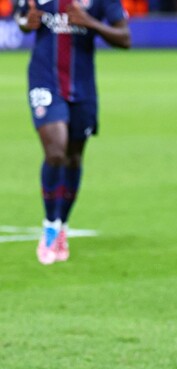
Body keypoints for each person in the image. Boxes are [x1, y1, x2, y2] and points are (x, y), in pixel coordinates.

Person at [14, 0, 131, 264]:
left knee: (73, 157)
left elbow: (125, 38)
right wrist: (24, 23)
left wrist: (90, 23)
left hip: (82, 86)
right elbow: (22, 18)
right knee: (56, 152)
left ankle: (62, 226)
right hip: (44, 80)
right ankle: (50, 226)